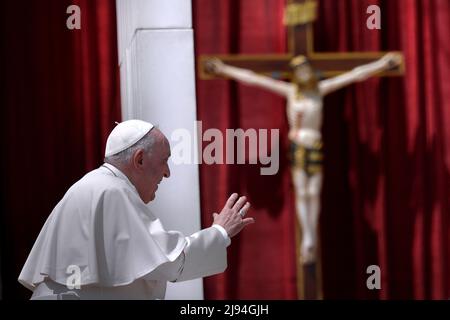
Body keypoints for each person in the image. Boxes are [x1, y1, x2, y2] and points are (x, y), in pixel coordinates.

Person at [18, 120, 255, 299]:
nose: (167, 173)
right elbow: (170, 263)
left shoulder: (97, 185)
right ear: (139, 159)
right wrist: (220, 232)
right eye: (164, 160)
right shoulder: (111, 191)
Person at [206, 53, 402, 264]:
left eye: (306, 70)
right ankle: (307, 237)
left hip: (314, 144)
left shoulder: (319, 90)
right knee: (302, 192)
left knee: (314, 192)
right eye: (299, 71)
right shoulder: (291, 92)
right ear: (295, 76)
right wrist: (223, 69)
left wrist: (382, 64)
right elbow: (254, 79)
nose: (304, 74)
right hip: (299, 146)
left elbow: (354, 75)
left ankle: (310, 236)